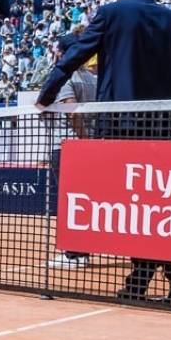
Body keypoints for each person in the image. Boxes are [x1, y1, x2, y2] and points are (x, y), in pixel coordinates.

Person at [35, 0, 171, 301]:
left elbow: (74, 56)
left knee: (126, 202)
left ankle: (142, 272)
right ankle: (160, 273)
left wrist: (45, 95)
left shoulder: (110, 13)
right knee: (154, 203)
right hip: (161, 128)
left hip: (119, 126)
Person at [45, 34, 98, 271]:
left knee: (68, 202)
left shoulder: (65, 77)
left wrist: (83, 139)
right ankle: (82, 251)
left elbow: (72, 112)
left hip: (68, 146)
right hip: (88, 147)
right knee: (83, 201)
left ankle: (74, 253)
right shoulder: (93, 79)